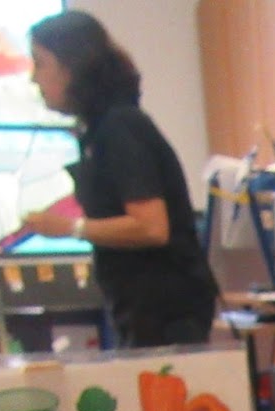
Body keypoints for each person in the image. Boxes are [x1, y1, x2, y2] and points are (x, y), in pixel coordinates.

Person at [20, 11, 217, 349]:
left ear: (71, 66)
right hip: (139, 304)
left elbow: (151, 227)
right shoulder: (99, 131)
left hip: (164, 309)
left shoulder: (120, 128)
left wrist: (70, 228)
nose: (33, 78)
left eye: (40, 64)